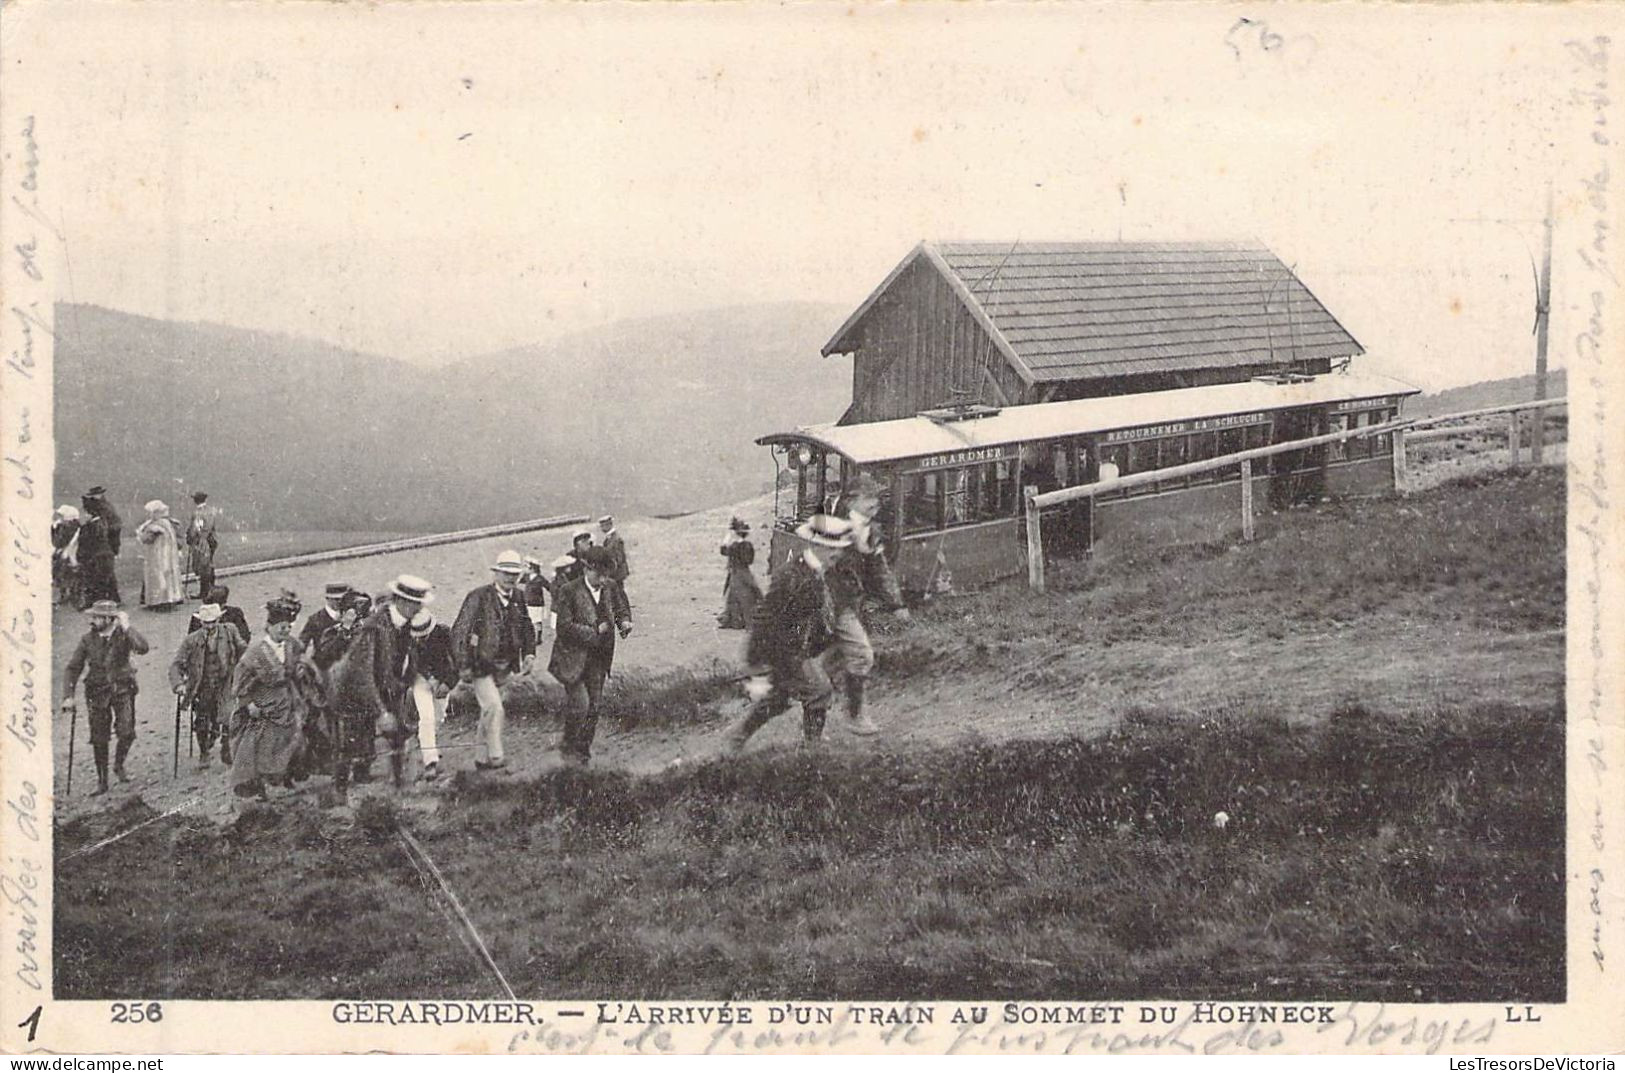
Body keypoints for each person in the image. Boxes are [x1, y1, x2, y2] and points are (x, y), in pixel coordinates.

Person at [727, 514, 851, 753]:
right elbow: (764, 618)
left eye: (838, 548)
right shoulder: (792, 577)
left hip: (792, 649)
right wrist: (757, 664)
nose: (836, 554)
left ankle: (737, 738)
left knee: (778, 699)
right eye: (830, 548)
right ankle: (811, 746)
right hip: (780, 651)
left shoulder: (817, 573)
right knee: (819, 691)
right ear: (814, 545)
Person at [824, 476, 911, 736]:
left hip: (848, 604)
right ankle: (854, 716)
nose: (876, 503)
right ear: (852, 499)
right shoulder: (830, 525)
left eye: (877, 499)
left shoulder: (870, 530)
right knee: (861, 655)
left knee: (830, 661)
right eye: (869, 498)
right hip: (829, 604)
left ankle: (824, 714)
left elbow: (878, 569)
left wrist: (896, 604)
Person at [329, 577, 427, 800]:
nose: (419, 608)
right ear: (401, 601)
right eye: (415, 603)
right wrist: (381, 711)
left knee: (399, 731)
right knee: (352, 741)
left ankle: (399, 784)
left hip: (383, 684)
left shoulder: (404, 625)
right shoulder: (374, 627)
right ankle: (339, 791)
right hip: (351, 689)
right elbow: (361, 673)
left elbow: (401, 664)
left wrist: (404, 689)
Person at [451, 551, 536, 773]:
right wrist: (462, 665)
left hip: (505, 665)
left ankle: (481, 758)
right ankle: (496, 756)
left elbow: (527, 628)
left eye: (515, 574)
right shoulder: (478, 597)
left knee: (488, 711)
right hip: (479, 663)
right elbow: (460, 631)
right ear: (496, 573)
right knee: (494, 708)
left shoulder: (518, 597)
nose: (511, 578)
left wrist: (529, 654)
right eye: (506, 573)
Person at [549, 546, 633, 766]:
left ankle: (582, 752)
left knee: (594, 707)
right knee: (580, 704)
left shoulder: (610, 586)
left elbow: (622, 607)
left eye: (606, 573)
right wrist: (595, 631)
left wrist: (624, 622)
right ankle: (569, 745)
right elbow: (563, 627)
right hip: (571, 658)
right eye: (598, 573)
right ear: (586, 569)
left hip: (599, 657)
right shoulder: (568, 591)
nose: (602, 578)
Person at [61, 601, 150, 795]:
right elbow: (73, 667)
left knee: (126, 731)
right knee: (99, 738)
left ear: (110, 619)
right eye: (92, 617)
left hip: (122, 689)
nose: (92, 621)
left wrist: (127, 626)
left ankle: (118, 765)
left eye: (96, 617)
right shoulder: (87, 640)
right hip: (97, 692)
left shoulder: (124, 636)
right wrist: (68, 696)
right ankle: (102, 781)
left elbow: (143, 648)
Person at [228, 596, 308, 802]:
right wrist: (249, 704)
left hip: (288, 698)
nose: (285, 631)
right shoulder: (254, 653)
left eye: (288, 627)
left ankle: (287, 778)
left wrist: (300, 669)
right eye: (281, 627)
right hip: (265, 703)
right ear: (269, 627)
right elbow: (239, 684)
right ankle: (264, 785)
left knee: (293, 739)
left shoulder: (291, 645)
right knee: (266, 745)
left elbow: (300, 658)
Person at [168, 601, 247, 766]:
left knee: (228, 715)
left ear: (219, 620)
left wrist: (241, 665)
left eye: (213, 622)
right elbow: (177, 664)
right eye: (206, 623)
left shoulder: (230, 631)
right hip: (202, 685)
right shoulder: (191, 640)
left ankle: (227, 748)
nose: (210, 627)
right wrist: (179, 685)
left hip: (225, 682)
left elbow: (243, 648)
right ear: (200, 622)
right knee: (202, 720)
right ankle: (204, 752)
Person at [406, 609, 456, 781]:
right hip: (420, 678)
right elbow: (413, 663)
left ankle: (425, 740)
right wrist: (429, 678)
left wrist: (447, 684)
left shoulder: (444, 633)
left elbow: (458, 660)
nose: (419, 639)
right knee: (426, 718)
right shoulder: (408, 636)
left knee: (438, 717)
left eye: (423, 635)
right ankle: (430, 762)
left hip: (444, 677)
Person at [135, 500, 186, 609]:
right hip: (169, 555)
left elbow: (147, 539)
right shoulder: (168, 524)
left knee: (158, 577)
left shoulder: (155, 526)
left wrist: (140, 534)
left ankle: (159, 601)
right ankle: (171, 599)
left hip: (157, 555)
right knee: (169, 577)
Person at [77, 486, 122, 607]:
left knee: (101, 574)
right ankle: (102, 599)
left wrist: (114, 548)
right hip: (99, 548)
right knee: (99, 574)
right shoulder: (99, 508)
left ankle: (101, 600)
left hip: (101, 548)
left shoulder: (104, 509)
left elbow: (113, 529)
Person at [717, 516, 761, 630]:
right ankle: (738, 619)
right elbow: (749, 561)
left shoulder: (735, 546)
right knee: (745, 595)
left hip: (737, 573)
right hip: (744, 572)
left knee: (737, 596)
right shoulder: (747, 545)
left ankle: (736, 619)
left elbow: (723, 550)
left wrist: (727, 538)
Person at [186, 492, 221, 599]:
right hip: (212, 540)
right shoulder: (211, 511)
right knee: (209, 563)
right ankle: (212, 589)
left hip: (202, 541)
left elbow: (196, 529)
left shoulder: (198, 513)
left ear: (195, 500)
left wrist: (190, 537)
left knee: (203, 566)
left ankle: (204, 592)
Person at [299, 583, 352, 650]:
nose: (340, 602)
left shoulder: (351, 617)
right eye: (336, 599)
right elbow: (302, 643)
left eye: (343, 599)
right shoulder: (315, 620)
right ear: (327, 598)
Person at [52, 505, 82, 609]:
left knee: (67, 575)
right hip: (70, 554)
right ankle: (68, 595)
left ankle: (70, 595)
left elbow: (58, 542)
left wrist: (54, 529)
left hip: (70, 554)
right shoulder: (71, 526)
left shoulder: (69, 528)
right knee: (67, 575)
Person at [599, 515, 630, 589]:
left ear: (609, 525)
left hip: (617, 573)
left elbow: (619, 558)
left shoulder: (616, 539)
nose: (601, 528)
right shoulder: (610, 537)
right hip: (615, 572)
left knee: (618, 591)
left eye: (603, 525)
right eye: (601, 526)